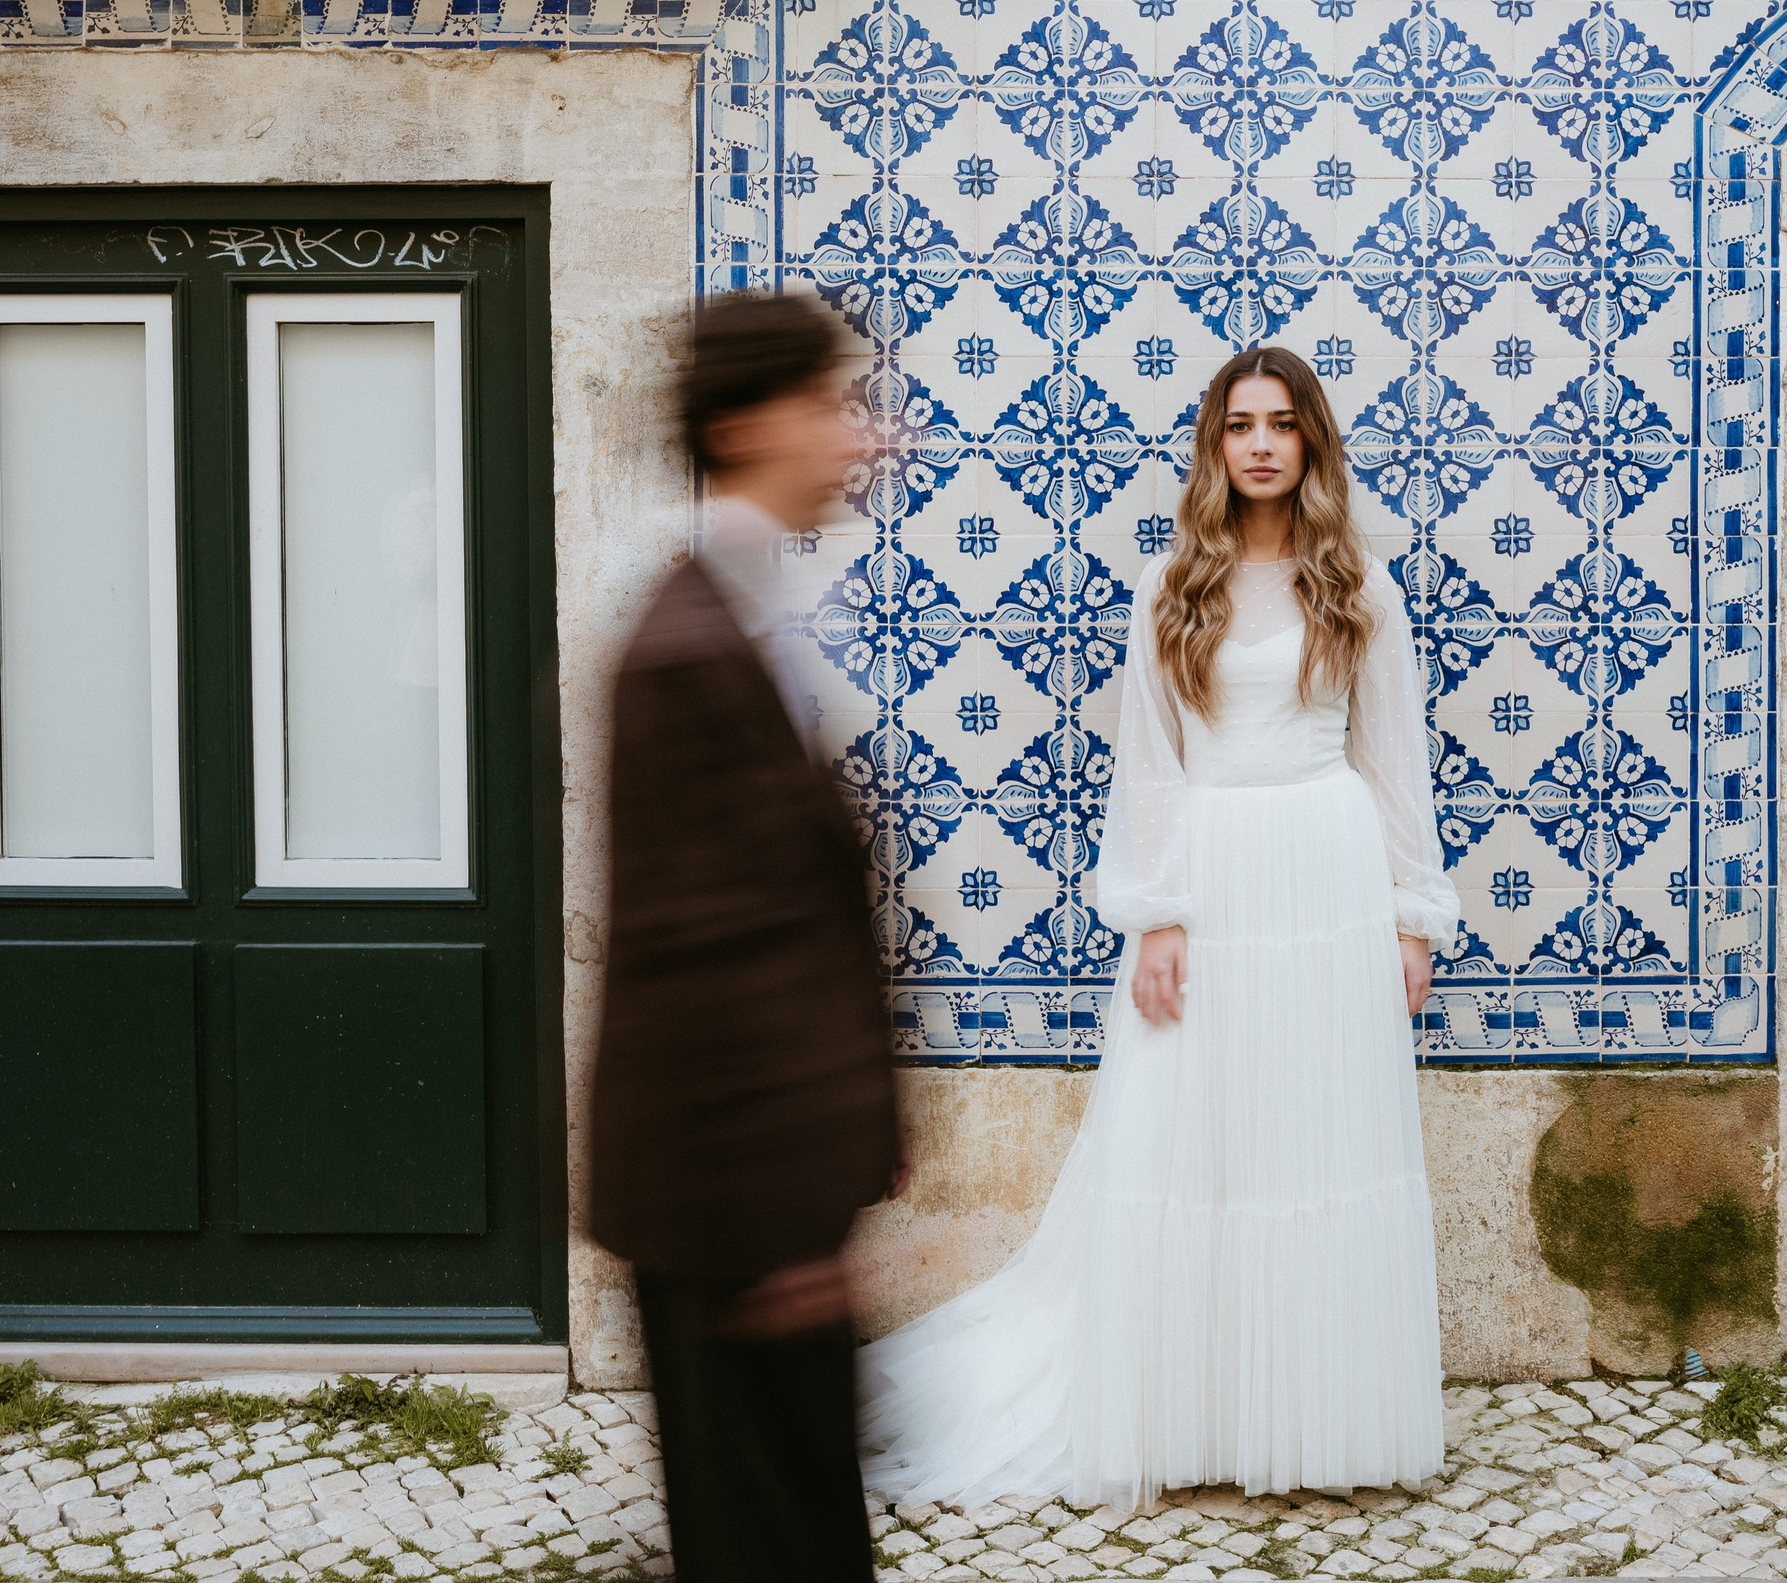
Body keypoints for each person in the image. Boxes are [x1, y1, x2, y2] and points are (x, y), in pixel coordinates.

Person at [860, 345, 1458, 1511]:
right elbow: (1150, 766)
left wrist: (1412, 918)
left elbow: (1395, 767)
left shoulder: (1359, 588)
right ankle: (1192, 1411)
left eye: (1284, 423)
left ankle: (1315, 1422)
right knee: (1202, 1142)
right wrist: (1159, 915)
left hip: (1330, 876)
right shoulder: (1174, 582)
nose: (1262, 444)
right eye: (1241, 424)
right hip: (1217, 874)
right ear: (1214, 444)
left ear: (1312, 442)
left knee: (1317, 1143)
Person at [588, 289, 900, 1582]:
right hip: (732, 1214)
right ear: (747, 422)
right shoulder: (686, 649)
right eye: (836, 404)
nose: (866, 437)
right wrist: (782, 1236)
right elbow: (709, 961)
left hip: (766, 1203)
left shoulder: (746, 617)